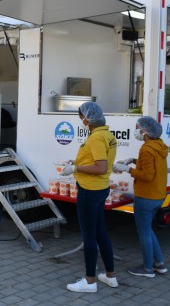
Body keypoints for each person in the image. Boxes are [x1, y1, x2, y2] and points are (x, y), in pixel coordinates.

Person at [60, 102, 118, 293]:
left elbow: (100, 167)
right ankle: (110, 276)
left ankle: (89, 281)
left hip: (89, 190)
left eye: (81, 118)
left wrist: (75, 168)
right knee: (101, 232)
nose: (81, 121)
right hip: (101, 189)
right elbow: (95, 161)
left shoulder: (96, 137)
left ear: (88, 118)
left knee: (89, 235)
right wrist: (76, 162)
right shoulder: (108, 135)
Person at [113, 116, 169, 278]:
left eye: (137, 127)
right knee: (148, 230)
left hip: (146, 196)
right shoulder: (159, 145)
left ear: (145, 131)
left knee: (143, 232)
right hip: (158, 195)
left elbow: (147, 175)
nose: (136, 130)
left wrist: (126, 169)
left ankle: (147, 269)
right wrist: (132, 160)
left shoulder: (146, 148)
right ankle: (159, 264)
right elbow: (150, 164)